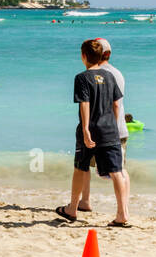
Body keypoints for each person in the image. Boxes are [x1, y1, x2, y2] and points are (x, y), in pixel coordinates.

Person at [56, 38, 130, 227]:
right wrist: (112, 125)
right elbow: (116, 104)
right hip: (110, 130)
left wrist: (86, 129)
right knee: (117, 172)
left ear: (83, 56)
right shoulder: (110, 76)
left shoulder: (82, 77)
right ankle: (122, 214)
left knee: (80, 168)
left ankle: (72, 209)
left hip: (90, 130)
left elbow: (85, 104)